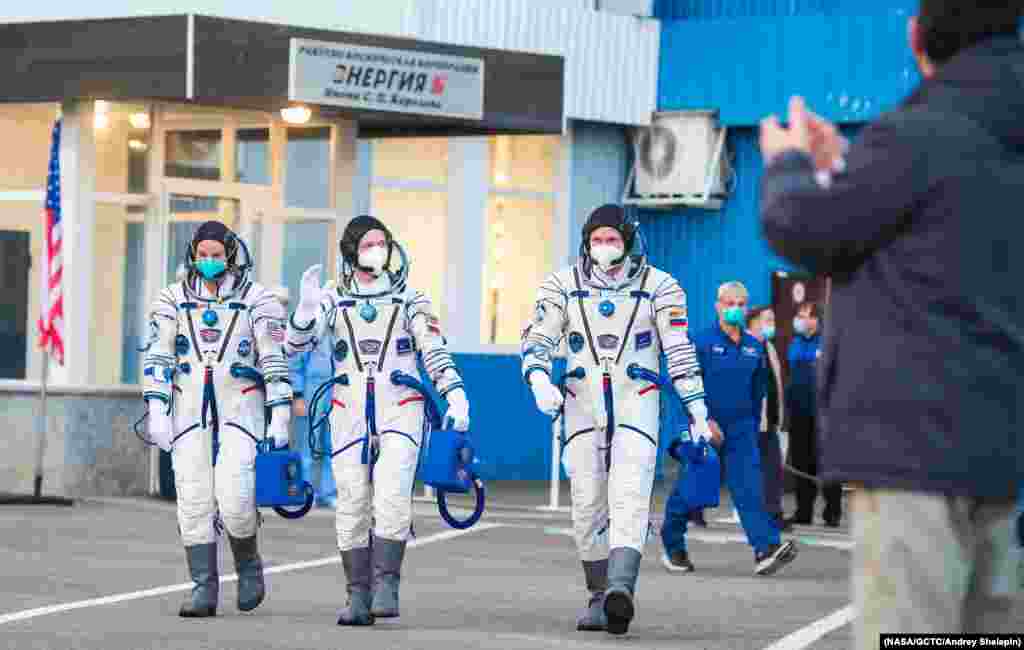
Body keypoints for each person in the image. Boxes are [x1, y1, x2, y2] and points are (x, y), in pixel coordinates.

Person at [759, 0, 1023, 639]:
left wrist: (791, 165)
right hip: (1008, 449)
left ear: (917, 37)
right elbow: (942, 219)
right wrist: (849, 164)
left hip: (918, 449)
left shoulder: (923, 130)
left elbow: (803, 227)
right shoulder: (995, 127)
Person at [521, 204, 713, 635]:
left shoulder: (660, 287)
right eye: (596, 240)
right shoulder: (562, 285)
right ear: (585, 243)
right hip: (581, 405)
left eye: (612, 239)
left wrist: (696, 407)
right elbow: (537, 338)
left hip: (636, 402)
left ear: (629, 242)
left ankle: (620, 589)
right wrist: (537, 379)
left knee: (629, 494)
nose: (603, 248)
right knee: (587, 505)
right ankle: (597, 593)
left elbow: (679, 351)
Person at [286, 215, 471, 627]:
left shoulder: (409, 297)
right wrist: (305, 310)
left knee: (390, 496)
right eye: (369, 244)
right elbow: (294, 346)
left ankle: (387, 584)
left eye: (382, 243)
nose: (377, 250)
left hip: (401, 408)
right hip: (348, 410)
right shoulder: (332, 300)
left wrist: (454, 392)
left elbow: (434, 350)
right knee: (351, 501)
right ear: (352, 251)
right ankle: (357, 594)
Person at [142, 220, 292, 617]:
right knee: (192, 500)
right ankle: (203, 588)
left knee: (236, 497)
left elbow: (274, 359)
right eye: (203, 255)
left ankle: (248, 566)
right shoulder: (171, 299)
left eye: (216, 255)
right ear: (193, 255)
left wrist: (279, 414)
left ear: (231, 255)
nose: (209, 262)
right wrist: (157, 408)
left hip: (240, 408)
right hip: (188, 409)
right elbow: (158, 355)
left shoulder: (257, 300)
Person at [660, 282, 797, 577]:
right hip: (704, 426)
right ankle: (672, 544)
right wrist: (701, 420)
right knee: (694, 489)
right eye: (729, 303)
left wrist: (749, 423)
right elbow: (679, 384)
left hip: (741, 429)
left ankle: (766, 548)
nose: (734, 308)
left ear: (746, 308)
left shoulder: (753, 346)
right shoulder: (699, 342)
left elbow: (759, 388)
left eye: (740, 303)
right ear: (718, 305)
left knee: (749, 488)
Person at [784, 301, 842, 527]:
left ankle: (832, 511)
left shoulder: (828, 343)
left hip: (823, 414)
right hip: (799, 414)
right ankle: (803, 511)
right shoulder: (795, 344)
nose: (800, 319)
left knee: (827, 462)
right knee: (801, 462)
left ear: (817, 320)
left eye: (805, 315)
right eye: (799, 315)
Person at [286, 283, 338, 509]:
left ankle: (329, 492)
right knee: (308, 444)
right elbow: (294, 364)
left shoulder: (340, 332)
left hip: (337, 394)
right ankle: (306, 490)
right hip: (311, 394)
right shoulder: (309, 331)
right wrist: (297, 395)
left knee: (333, 446)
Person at [746, 306, 787, 531]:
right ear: (752, 322)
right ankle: (692, 508)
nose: (771, 324)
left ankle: (773, 515)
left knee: (772, 470)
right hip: (748, 422)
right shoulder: (744, 347)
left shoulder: (769, 347)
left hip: (768, 420)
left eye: (772, 319)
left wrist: (780, 415)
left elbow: (776, 384)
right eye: (767, 319)